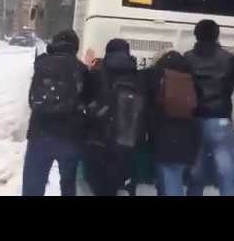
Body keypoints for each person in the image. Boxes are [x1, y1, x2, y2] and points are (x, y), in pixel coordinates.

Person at [22, 29, 89, 196]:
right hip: (70, 136)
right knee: (68, 184)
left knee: (33, 185)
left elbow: (32, 99)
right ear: (75, 47)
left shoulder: (41, 63)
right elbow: (87, 100)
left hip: (39, 134)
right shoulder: (80, 68)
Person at [84, 39, 146, 196]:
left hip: (98, 140)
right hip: (127, 141)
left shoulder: (97, 73)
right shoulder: (138, 77)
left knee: (100, 186)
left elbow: (85, 100)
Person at [184, 20, 234, 196]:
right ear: (217, 35)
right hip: (220, 116)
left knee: (197, 168)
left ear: (196, 35)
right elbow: (230, 84)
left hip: (196, 117)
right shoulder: (228, 58)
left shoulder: (187, 58)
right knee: (226, 168)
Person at [147, 50, 200, 196]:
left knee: (170, 178)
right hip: (187, 137)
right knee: (172, 175)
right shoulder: (191, 80)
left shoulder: (155, 77)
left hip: (163, 136)